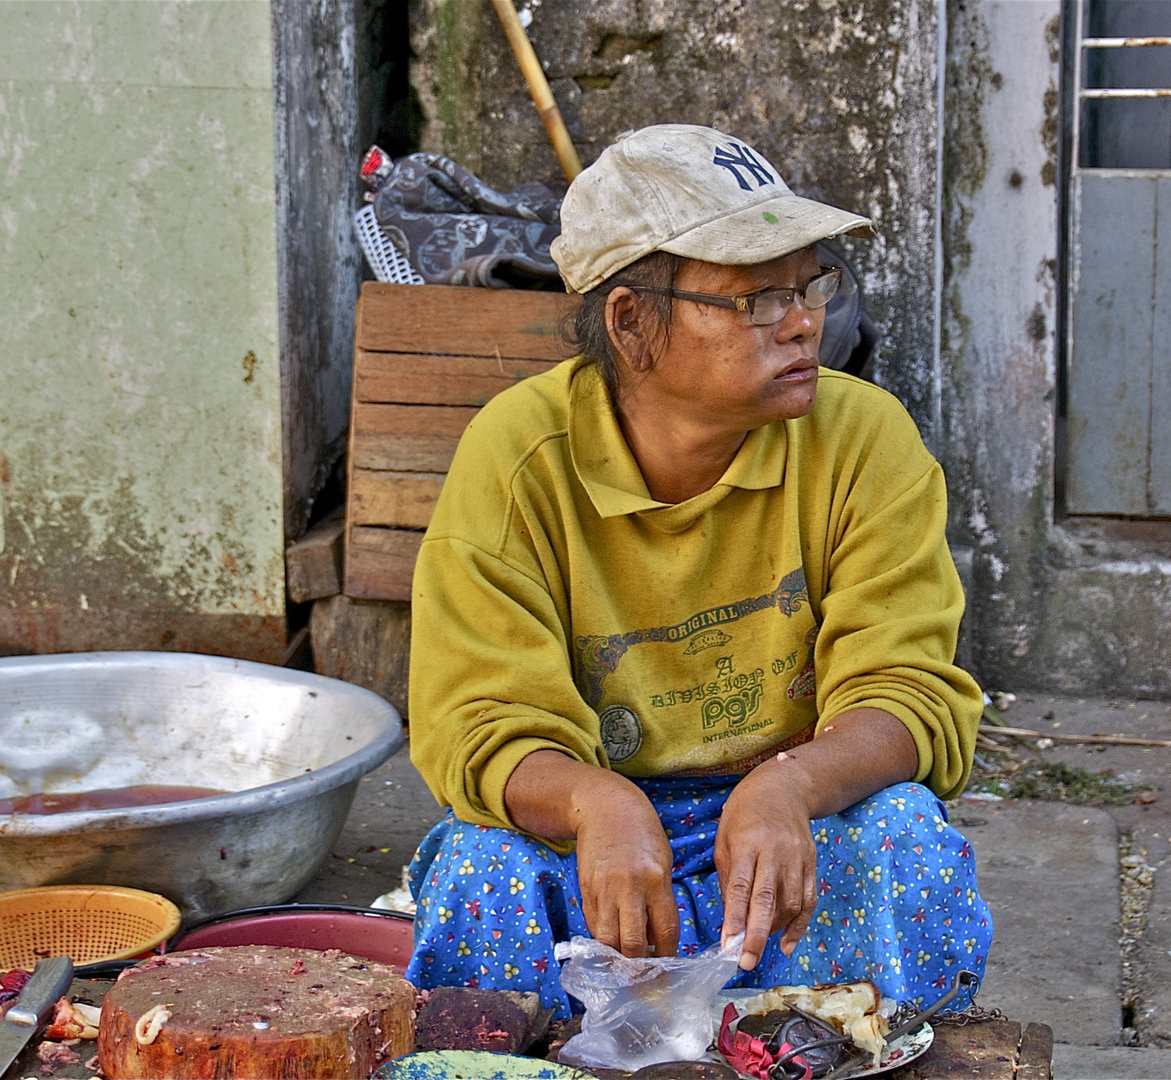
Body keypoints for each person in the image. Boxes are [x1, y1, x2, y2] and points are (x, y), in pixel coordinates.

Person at [403, 124, 991, 1018]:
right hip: (596, 842)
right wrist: (597, 801)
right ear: (632, 324)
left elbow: (910, 693)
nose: (803, 321)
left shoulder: (865, 439)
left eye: (811, 284)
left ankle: (851, 1043)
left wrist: (788, 784)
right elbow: (475, 723)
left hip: (799, 818)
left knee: (904, 841)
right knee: (480, 871)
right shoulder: (519, 458)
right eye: (757, 298)